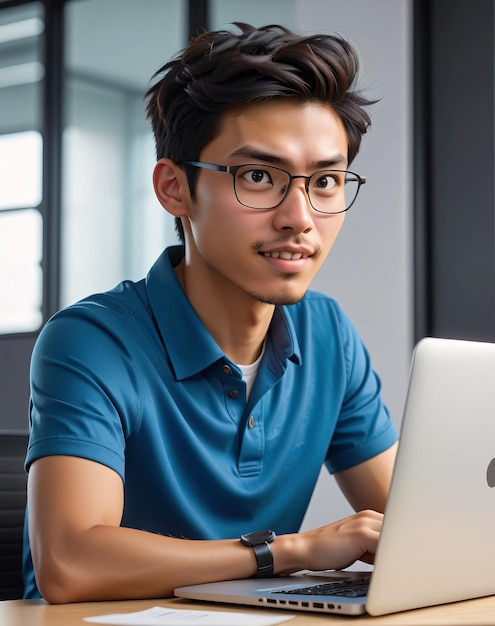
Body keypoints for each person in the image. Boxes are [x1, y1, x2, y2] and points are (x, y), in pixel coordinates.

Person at [24, 22, 398, 603]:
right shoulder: (90, 340)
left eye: (325, 181)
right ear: (175, 189)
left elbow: (415, 526)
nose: (300, 217)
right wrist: (290, 552)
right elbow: (70, 563)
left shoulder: (328, 335)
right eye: (258, 176)